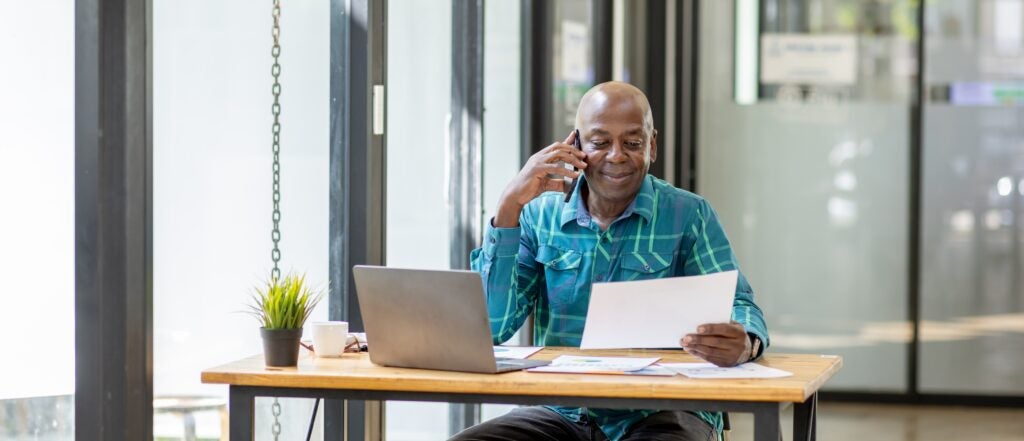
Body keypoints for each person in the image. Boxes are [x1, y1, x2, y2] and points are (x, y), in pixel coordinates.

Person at [452, 82, 769, 441]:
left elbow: (739, 304)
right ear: (575, 146)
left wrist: (746, 342)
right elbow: (491, 328)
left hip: (663, 409)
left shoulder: (688, 214)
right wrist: (509, 207)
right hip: (563, 410)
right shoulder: (538, 217)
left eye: (632, 143)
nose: (616, 155)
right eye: (600, 142)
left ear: (651, 146)